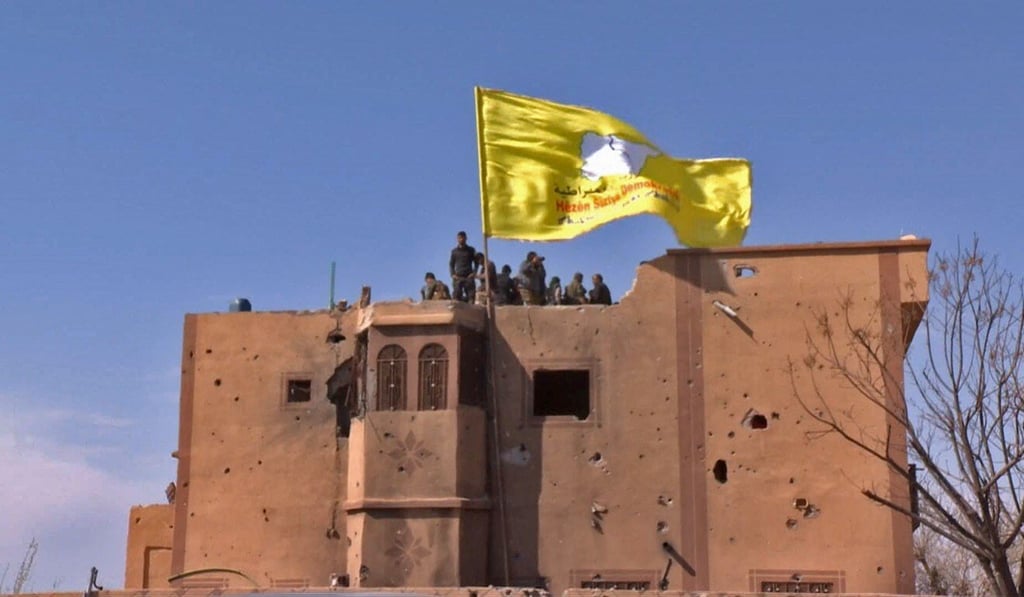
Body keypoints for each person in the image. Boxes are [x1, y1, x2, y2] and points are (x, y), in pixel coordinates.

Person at [449, 231, 477, 302]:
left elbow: (476, 262)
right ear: (457, 239)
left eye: (462, 238)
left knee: (471, 297)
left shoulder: (471, 250)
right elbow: (451, 264)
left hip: (469, 276)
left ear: (466, 238)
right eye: (459, 238)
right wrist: (453, 274)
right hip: (458, 276)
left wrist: (474, 273)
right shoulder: (454, 251)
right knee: (456, 297)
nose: (461, 239)